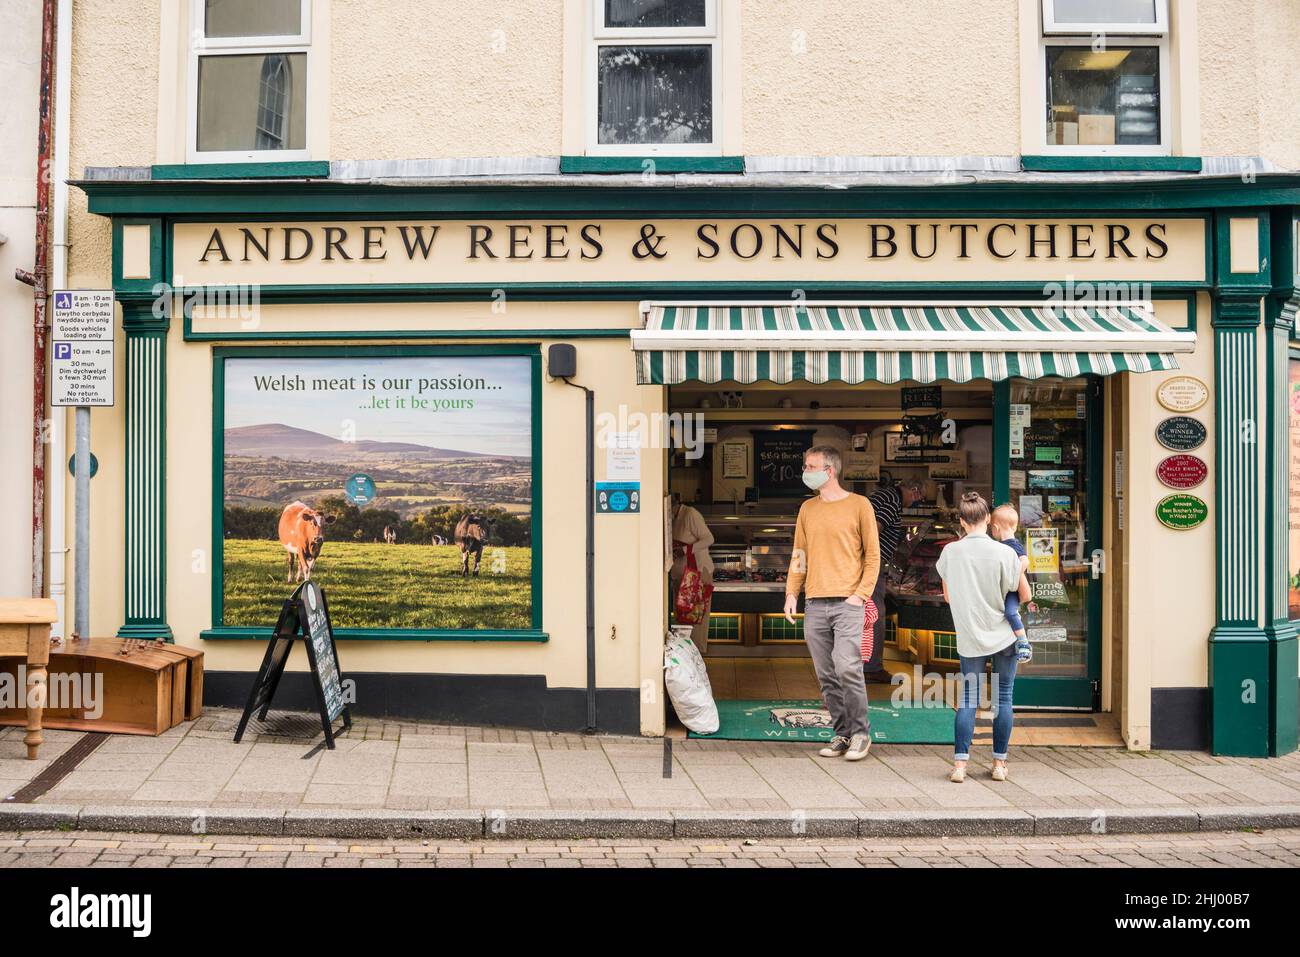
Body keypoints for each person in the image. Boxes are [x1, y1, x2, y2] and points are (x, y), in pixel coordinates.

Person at [784, 445, 881, 762]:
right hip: (815, 602)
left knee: (847, 667)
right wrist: (791, 594)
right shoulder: (807, 509)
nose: (805, 471)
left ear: (829, 470)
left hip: (848, 602)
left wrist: (859, 595)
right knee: (826, 673)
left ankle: (861, 733)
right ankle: (842, 733)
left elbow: (873, 556)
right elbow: (799, 555)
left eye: (810, 465)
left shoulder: (860, 505)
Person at [935, 492, 1022, 784]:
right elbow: (1018, 590)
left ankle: (960, 766)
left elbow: (948, 596)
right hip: (1004, 635)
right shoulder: (1005, 553)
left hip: (970, 636)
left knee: (968, 699)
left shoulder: (950, 552)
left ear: (961, 521)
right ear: (987, 519)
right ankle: (998, 764)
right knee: (1004, 699)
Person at [864, 479, 925, 682]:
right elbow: (873, 529)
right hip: (870, 564)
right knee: (875, 613)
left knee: (867, 612)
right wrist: (871, 562)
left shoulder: (885, 496)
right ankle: (871, 667)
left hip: (865, 563)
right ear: (913, 490)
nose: (917, 502)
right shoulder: (892, 501)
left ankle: (863, 664)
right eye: (919, 497)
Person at [669, 492, 715, 654]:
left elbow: (709, 539)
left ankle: (698, 655)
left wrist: (684, 550)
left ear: (676, 504)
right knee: (683, 617)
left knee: (697, 619)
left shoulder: (690, 515)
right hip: (682, 576)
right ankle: (686, 656)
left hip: (698, 574)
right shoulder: (672, 519)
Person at [989, 504, 1034, 663]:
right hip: (1005, 590)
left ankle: (1024, 643)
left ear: (995, 527)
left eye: (991, 528)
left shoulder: (1013, 545)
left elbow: (1025, 561)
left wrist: (1013, 575)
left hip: (1012, 591)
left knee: (1010, 613)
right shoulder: (1001, 546)